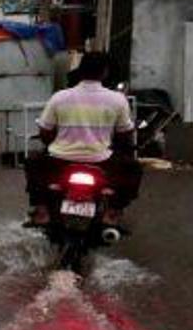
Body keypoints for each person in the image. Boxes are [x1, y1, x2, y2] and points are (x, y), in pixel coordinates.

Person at [25, 52, 142, 226]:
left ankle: (42, 211)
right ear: (105, 72)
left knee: (32, 162)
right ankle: (113, 211)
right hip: (101, 160)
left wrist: (54, 144)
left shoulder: (60, 97)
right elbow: (125, 134)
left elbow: (45, 131)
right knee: (134, 168)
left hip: (59, 160)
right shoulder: (117, 100)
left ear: (80, 71)